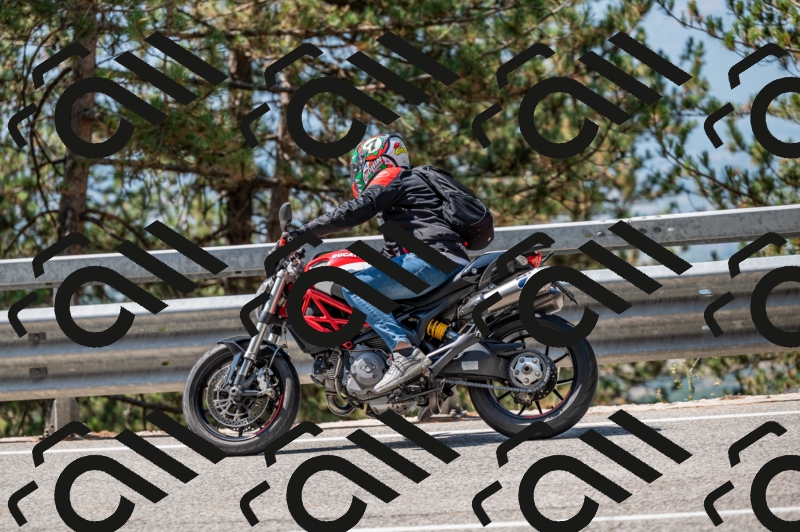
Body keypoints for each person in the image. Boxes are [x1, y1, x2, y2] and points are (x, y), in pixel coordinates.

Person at [278, 133, 474, 394]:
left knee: (355, 286)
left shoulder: (392, 174)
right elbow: (392, 253)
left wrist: (303, 233)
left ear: (374, 162)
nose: (357, 176)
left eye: (359, 168)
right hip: (441, 259)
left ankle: (404, 354)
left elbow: (355, 210)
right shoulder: (405, 198)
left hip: (431, 258)